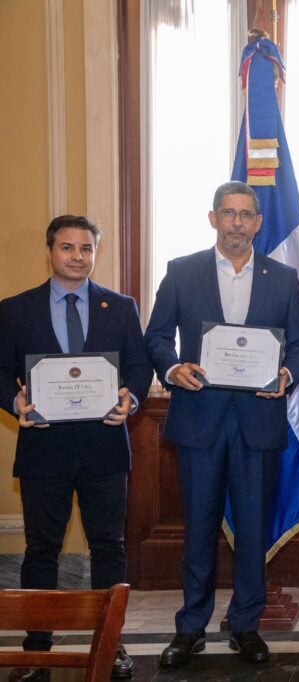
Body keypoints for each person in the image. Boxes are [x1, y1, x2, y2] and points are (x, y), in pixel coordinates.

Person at [145, 181, 299, 667]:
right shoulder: (182, 271)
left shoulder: (283, 278)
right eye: (228, 213)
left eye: (245, 214)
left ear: (258, 223)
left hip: (258, 423)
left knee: (253, 529)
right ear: (213, 218)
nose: (237, 222)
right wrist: (172, 368)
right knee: (198, 529)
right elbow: (157, 337)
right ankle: (190, 627)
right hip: (199, 421)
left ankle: (246, 624)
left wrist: (286, 374)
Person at [0, 215, 152, 681]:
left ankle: (111, 643)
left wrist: (131, 398)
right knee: (41, 550)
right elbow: (1, 371)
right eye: (67, 247)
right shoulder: (15, 309)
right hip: (43, 450)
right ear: (50, 251)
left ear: (94, 253)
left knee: (109, 546)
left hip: (104, 448)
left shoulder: (120, 307)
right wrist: (13, 401)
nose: (77, 256)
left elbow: (140, 366)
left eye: (86, 248)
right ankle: (37, 649)